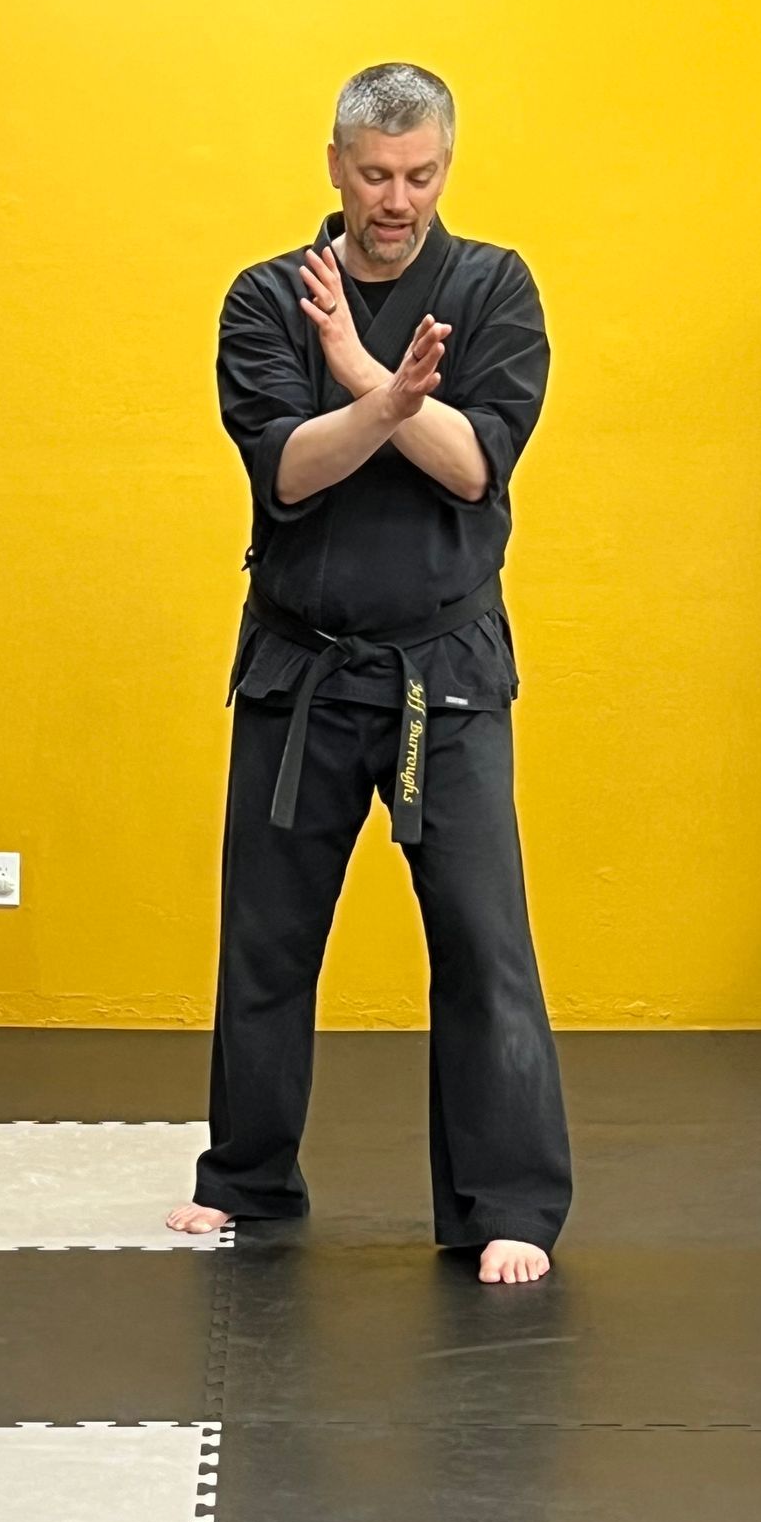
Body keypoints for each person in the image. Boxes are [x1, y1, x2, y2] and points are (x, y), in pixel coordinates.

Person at [168, 64, 571, 1286]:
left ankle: (507, 1202)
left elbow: (472, 466)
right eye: (376, 175)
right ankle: (246, 1175)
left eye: (422, 174)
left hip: (444, 672)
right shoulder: (267, 296)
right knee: (268, 936)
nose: (398, 199)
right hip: (300, 668)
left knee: (483, 938)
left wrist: (369, 384)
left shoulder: (493, 286)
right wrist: (378, 388)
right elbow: (287, 475)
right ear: (336, 165)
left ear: (447, 163)